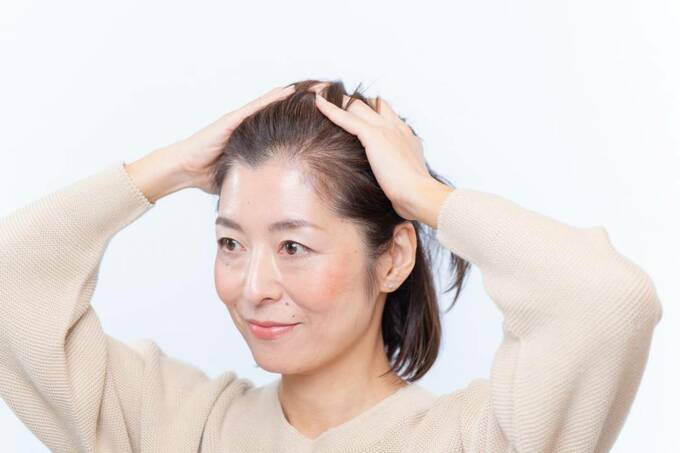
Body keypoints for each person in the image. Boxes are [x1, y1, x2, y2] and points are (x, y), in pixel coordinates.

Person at [0, 79, 662, 452]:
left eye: (293, 246)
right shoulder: (175, 428)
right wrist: (167, 168)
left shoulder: (478, 439)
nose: (253, 287)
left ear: (392, 258)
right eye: (231, 243)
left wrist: (425, 198)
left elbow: (607, 300)